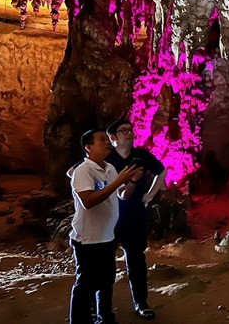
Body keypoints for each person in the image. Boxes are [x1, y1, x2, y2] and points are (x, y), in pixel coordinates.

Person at [69, 129, 142, 324]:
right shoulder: (83, 171)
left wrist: (132, 182)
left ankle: (106, 318)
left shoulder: (109, 168)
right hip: (88, 238)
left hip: (107, 235)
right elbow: (88, 201)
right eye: (102, 139)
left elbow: (122, 195)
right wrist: (118, 181)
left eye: (107, 139)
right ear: (88, 147)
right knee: (85, 284)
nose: (108, 142)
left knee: (106, 281)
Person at [103, 119, 167, 320]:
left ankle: (141, 302)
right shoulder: (105, 158)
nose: (129, 133)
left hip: (135, 218)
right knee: (105, 266)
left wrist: (149, 194)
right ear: (112, 138)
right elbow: (73, 173)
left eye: (130, 130)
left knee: (137, 263)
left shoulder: (141, 156)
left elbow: (162, 171)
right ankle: (103, 309)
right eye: (123, 131)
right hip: (108, 220)